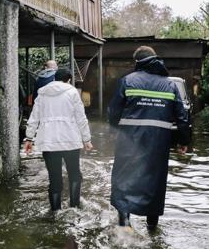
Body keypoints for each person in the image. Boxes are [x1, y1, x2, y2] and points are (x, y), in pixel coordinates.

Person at [108, 46, 190, 231]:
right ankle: (152, 227)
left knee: (123, 178)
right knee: (155, 181)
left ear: (137, 62)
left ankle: (124, 224)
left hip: (129, 141)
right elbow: (181, 116)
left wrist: (113, 131)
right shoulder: (169, 85)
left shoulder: (127, 81)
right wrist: (183, 141)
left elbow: (114, 111)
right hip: (158, 144)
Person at [24, 68, 93, 210]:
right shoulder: (72, 92)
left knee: (54, 179)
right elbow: (81, 118)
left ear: (54, 78)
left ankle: (55, 212)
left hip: (49, 142)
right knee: (74, 175)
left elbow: (34, 118)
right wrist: (87, 139)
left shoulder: (42, 94)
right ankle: (74, 207)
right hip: (70, 141)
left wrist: (29, 139)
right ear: (69, 79)